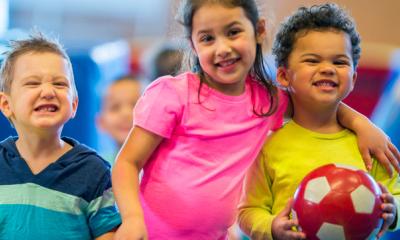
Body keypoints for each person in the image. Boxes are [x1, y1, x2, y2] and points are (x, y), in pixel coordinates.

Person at [112, 1, 400, 239]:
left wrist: (363, 124)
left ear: (259, 30)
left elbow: (316, 102)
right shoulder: (172, 95)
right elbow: (127, 162)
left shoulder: (267, 101)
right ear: (193, 44)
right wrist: (133, 219)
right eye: (207, 38)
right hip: (151, 233)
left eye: (234, 32)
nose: (222, 48)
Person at [238, 4, 400, 240]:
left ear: (353, 78)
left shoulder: (370, 145)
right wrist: (272, 227)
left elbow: (396, 192)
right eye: (312, 61)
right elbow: (248, 211)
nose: (327, 69)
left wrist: (393, 211)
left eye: (340, 62)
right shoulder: (269, 145)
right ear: (284, 75)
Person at [0, 32, 121, 239]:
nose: (47, 91)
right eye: (32, 83)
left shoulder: (93, 170)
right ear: (6, 104)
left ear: (74, 104)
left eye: (59, 84)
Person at [96, 74, 142, 165]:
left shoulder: (166, 162)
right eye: (115, 107)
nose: (126, 114)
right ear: (101, 122)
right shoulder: (99, 167)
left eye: (136, 104)